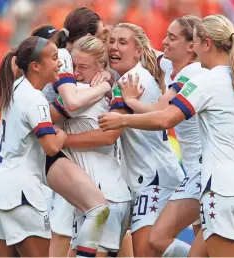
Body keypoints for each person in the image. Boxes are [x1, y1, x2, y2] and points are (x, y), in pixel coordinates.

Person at [98, 14, 234, 257]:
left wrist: (123, 118)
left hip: (223, 188)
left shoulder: (205, 80)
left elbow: (165, 118)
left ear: (206, 44)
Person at [0, 36, 111, 257]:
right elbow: (51, 147)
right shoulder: (35, 99)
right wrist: (62, 133)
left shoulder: (17, 87)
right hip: (21, 195)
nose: (60, 64)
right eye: (55, 58)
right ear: (36, 66)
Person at [62, 23, 185, 257]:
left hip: (153, 176)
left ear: (138, 51)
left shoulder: (132, 79)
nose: (114, 47)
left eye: (122, 42)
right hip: (139, 179)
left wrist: (63, 139)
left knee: (146, 250)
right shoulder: (122, 77)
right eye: (112, 42)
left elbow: (109, 134)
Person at [117, 15, 206, 257]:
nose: (165, 41)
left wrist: (129, 104)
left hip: (203, 173)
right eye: (166, 34)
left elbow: (162, 114)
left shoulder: (194, 72)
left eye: (172, 37)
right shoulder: (171, 66)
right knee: (197, 243)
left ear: (191, 46)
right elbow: (149, 52)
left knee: (154, 243)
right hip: (192, 172)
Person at [51, 35, 132, 257]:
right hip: (102, 196)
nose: (76, 73)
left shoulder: (80, 94)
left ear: (100, 67)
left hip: (102, 197)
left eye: (83, 67)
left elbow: (43, 116)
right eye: (73, 66)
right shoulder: (104, 91)